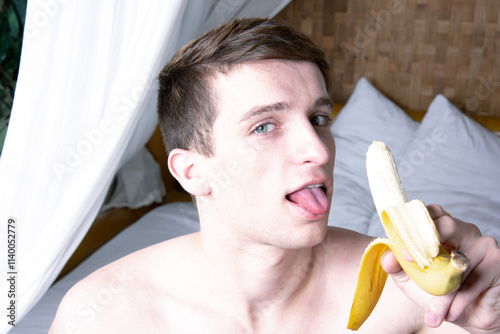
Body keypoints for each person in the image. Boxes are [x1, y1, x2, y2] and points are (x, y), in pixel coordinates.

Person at [50, 18, 500, 333]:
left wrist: (491, 322)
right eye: (264, 126)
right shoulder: (102, 315)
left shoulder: (406, 296)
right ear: (192, 172)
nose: (317, 149)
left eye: (320, 119)